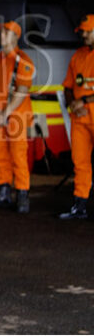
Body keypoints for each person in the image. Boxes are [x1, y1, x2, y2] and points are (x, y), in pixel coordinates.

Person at [0, 21, 35, 213]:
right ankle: (3, 192)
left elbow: (22, 90)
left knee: (18, 155)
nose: (2, 35)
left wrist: (6, 112)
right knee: (0, 155)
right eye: (1, 32)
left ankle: (22, 194)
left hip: (17, 117)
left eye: (6, 32)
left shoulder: (23, 60)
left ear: (16, 36)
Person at [59, 14, 94, 219]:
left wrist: (85, 101)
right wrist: (73, 103)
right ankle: (79, 206)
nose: (84, 35)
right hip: (80, 119)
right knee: (80, 162)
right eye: (82, 32)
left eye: (88, 32)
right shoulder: (78, 56)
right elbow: (68, 86)